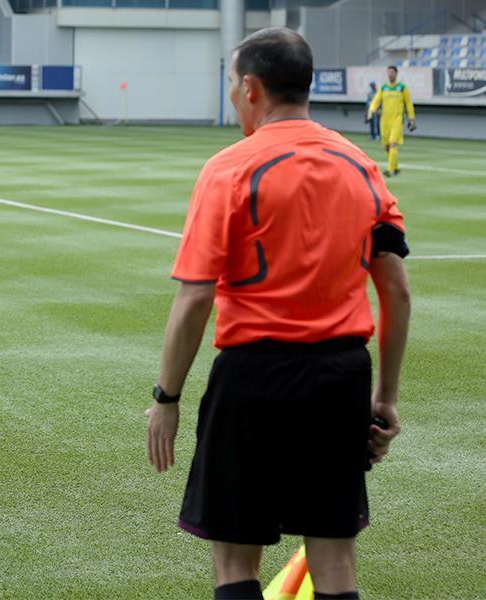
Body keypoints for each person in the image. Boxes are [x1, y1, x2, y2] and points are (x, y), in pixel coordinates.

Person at [146, 28, 410, 600]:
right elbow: (397, 290)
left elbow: (194, 298)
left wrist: (167, 398)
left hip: (253, 376)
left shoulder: (229, 168)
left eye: (231, 84)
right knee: (334, 560)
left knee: (235, 561)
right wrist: (385, 398)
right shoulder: (362, 167)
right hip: (341, 376)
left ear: (251, 87)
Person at [367, 65, 416, 177]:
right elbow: (376, 100)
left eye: (392, 72)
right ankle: (396, 167)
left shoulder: (402, 87)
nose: (390, 74)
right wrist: (371, 111)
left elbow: (408, 103)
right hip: (385, 120)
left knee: (393, 143)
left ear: (396, 74)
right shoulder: (384, 87)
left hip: (397, 119)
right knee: (387, 147)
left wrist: (412, 118)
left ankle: (390, 170)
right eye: (388, 72)